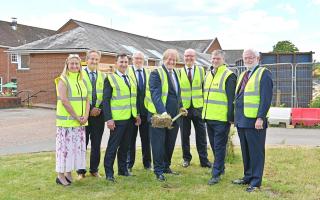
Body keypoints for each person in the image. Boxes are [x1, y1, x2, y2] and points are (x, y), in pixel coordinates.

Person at [232, 49, 273, 192]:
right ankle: (247, 176)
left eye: (251, 57)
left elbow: (266, 98)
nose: (248, 60)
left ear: (257, 58)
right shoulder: (243, 74)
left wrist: (260, 117)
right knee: (246, 150)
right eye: (245, 58)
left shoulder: (264, 73)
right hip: (242, 119)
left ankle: (255, 182)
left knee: (256, 152)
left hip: (255, 120)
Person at [145, 49, 187, 181]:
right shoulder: (156, 73)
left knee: (170, 143)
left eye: (174, 59)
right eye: (169, 58)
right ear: (163, 59)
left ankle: (166, 167)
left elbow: (177, 94)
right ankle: (158, 171)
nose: (171, 61)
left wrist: (181, 107)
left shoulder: (176, 73)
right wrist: (163, 113)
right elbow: (155, 95)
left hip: (174, 116)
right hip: (159, 116)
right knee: (158, 144)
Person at [103, 53, 141, 182]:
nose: (124, 64)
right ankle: (109, 173)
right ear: (116, 63)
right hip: (117, 119)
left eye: (126, 62)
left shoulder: (130, 78)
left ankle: (123, 170)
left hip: (130, 118)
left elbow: (133, 99)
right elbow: (106, 100)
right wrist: (109, 119)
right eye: (121, 62)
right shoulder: (110, 78)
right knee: (113, 147)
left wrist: (137, 115)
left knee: (126, 146)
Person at [202, 50, 237, 185]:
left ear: (223, 60)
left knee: (219, 146)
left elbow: (231, 99)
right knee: (214, 146)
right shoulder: (208, 74)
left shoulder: (229, 76)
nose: (215, 61)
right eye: (213, 58)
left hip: (222, 119)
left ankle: (216, 174)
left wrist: (230, 117)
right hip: (209, 117)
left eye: (218, 58)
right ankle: (220, 168)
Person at [55, 54, 90, 186]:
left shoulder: (83, 80)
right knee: (63, 150)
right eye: (72, 64)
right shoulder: (62, 80)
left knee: (74, 150)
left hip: (79, 123)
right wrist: (77, 117)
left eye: (77, 64)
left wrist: (85, 116)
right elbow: (64, 101)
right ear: (67, 65)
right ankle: (60, 176)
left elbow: (87, 99)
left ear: (80, 65)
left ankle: (69, 173)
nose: (74, 66)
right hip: (66, 123)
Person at [179, 48, 211, 168]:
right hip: (184, 109)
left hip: (198, 108)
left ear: (195, 58)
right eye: (187, 56)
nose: (189, 58)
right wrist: (180, 106)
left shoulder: (201, 70)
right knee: (184, 136)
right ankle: (186, 159)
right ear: (184, 57)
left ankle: (204, 160)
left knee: (201, 136)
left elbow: (205, 89)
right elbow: (177, 92)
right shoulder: (179, 72)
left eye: (191, 56)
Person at [77, 50, 106, 179]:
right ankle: (80, 172)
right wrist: (88, 111)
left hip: (99, 115)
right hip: (84, 115)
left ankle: (94, 170)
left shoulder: (103, 76)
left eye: (96, 59)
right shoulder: (79, 74)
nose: (94, 61)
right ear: (86, 60)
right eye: (92, 59)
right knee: (82, 144)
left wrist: (98, 108)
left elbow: (106, 95)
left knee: (96, 144)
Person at [127, 51, 152, 172]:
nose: (138, 61)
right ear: (132, 60)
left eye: (141, 59)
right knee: (130, 140)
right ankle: (129, 164)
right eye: (136, 58)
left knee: (146, 139)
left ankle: (147, 164)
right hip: (132, 112)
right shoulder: (127, 72)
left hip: (146, 112)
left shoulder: (148, 73)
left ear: (144, 60)